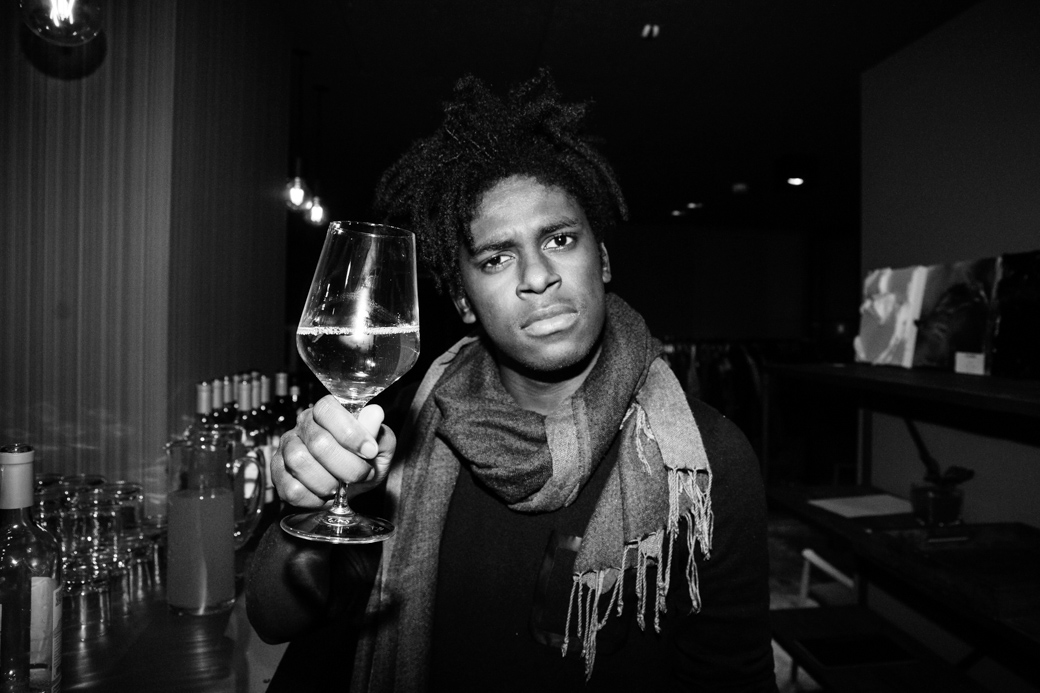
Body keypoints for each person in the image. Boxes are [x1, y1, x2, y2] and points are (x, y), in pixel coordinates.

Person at [246, 70, 778, 692]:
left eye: (560, 239)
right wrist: (306, 510)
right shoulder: (392, 434)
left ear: (603, 259)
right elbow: (273, 619)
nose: (536, 275)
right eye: (496, 257)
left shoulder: (705, 462)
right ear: (463, 301)